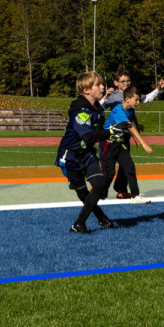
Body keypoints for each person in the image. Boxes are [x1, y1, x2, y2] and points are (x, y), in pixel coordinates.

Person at [59, 71, 115, 233]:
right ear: (86, 90)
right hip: (70, 156)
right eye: (98, 85)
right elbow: (89, 136)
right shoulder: (81, 110)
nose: (102, 87)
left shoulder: (98, 109)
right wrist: (110, 133)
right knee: (83, 192)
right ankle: (101, 218)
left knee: (99, 185)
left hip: (87, 154)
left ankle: (79, 223)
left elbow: (98, 131)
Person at [101, 70, 164, 198]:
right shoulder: (112, 98)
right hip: (110, 139)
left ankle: (123, 190)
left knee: (127, 166)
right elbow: (97, 109)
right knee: (109, 170)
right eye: (123, 81)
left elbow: (144, 100)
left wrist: (158, 89)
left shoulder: (133, 94)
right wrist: (103, 98)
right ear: (115, 82)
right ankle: (99, 189)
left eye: (128, 80)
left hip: (123, 137)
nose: (126, 83)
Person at [102, 86, 154, 205]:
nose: (138, 102)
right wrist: (144, 144)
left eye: (139, 100)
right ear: (127, 99)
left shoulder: (130, 108)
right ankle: (102, 196)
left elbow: (132, 116)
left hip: (120, 143)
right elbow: (129, 127)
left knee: (130, 167)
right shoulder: (118, 110)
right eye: (136, 100)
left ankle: (135, 196)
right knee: (109, 173)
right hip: (108, 143)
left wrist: (138, 124)